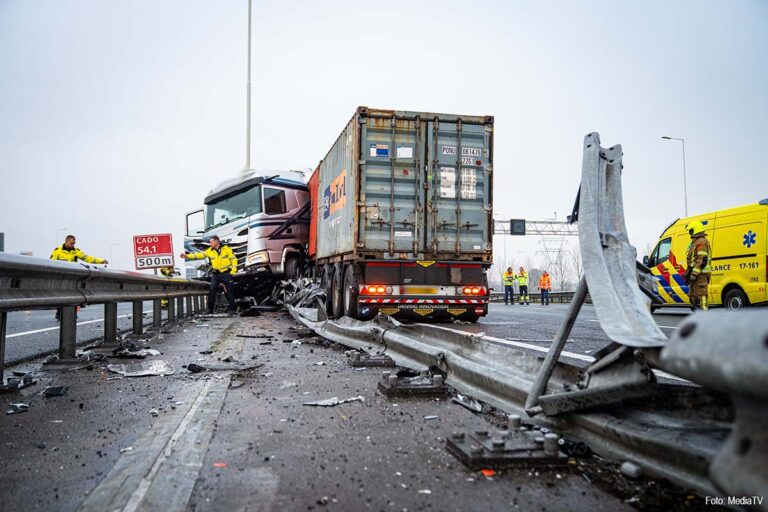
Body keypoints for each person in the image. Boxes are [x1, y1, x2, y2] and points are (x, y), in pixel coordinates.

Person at [50, 235, 108, 320]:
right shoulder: (57, 251)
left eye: (74, 243)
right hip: (61, 277)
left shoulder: (76, 251)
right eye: (71, 243)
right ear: (66, 242)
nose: (73, 245)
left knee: (73, 295)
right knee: (62, 295)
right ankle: (59, 313)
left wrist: (101, 261)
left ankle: (72, 313)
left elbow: (87, 258)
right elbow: (52, 262)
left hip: (72, 277)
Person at [180, 235, 237, 314]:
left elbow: (234, 260)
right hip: (216, 274)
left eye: (211, 242)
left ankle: (233, 309)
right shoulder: (209, 251)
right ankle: (210, 310)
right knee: (212, 290)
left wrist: (233, 271)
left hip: (226, 273)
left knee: (229, 291)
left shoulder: (226, 249)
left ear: (217, 241)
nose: (210, 244)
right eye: (210, 242)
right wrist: (187, 256)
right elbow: (199, 255)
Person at [684, 220, 712, 310]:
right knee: (693, 297)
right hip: (696, 275)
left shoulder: (701, 242)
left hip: (701, 275)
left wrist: (694, 273)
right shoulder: (695, 242)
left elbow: (702, 260)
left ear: (695, 230)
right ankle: (698, 314)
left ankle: (704, 316)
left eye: (690, 230)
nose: (689, 232)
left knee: (701, 297)